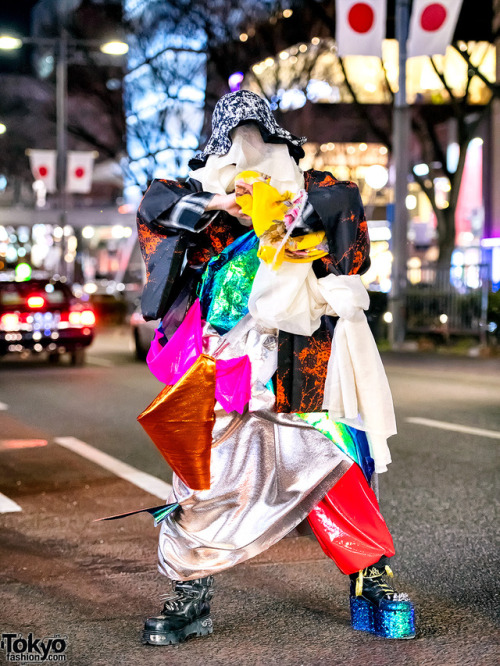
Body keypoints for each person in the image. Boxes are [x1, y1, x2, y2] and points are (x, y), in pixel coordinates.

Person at [135, 90, 415, 645]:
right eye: (234, 150)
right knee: (201, 480)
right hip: (221, 358)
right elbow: (155, 205)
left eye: (259, 144)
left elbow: (346, 212)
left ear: (282, 145)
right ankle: (191, 592)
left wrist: (287, 212)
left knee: (334, 464)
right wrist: (221, 205)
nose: (247, 157)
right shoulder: (203, 205)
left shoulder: (317, 194)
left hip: (302, 358)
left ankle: (371, 576)